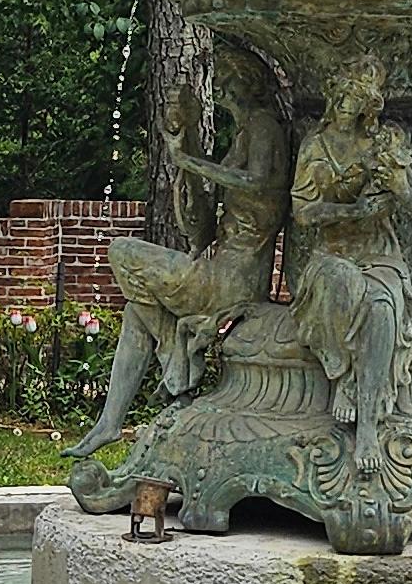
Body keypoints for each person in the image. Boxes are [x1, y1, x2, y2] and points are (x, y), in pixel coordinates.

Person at [66, 42, 289, 456]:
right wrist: (185, 148)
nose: (219, 88)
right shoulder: (244, 135)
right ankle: (110, 423)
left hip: (233, 279)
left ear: (247, 82)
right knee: (135, 312)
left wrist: (190, 162)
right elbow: (201, 231)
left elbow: (259, 182)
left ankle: (176, 365)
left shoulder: (263, 127)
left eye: (226, 80)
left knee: (122, 251)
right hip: (221, 267)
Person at [289, 58, 412, 474]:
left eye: (357, 99)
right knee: (341, 285)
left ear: (369, 105)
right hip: (332, 253)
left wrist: (400, 187)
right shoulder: (315, 147)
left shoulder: (385, 144)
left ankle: (367, 422)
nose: (347, 106)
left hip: (381, 254)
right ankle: (344, 378)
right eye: (343, 96)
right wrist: (350, 211)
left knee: (382, 307)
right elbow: (302, 212)